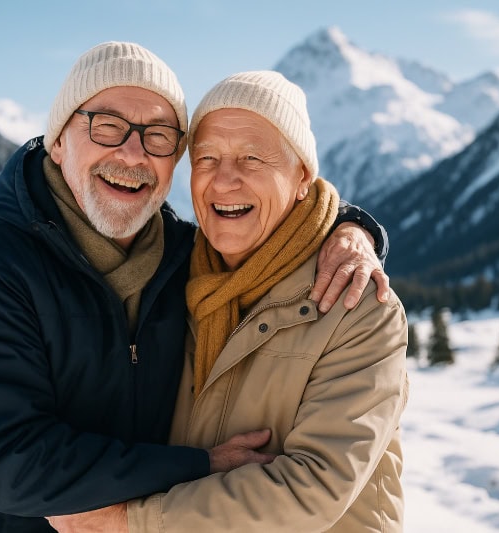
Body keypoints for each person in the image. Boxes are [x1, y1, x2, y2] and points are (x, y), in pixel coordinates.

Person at [0, 43, 391, 532]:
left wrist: (353, 230)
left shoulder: (185, 260)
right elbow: (10, 467)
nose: (132, 153)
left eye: (159, 136)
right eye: (107, 126)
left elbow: (280, 222)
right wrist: (202, 465)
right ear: (58, 141)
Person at [45, 71, 409, 533]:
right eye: (207, 158)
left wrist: (130, 522)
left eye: (252, 158)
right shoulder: (170, 279)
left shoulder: (357, 303)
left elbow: (314, 486)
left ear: (302, 176)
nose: (224, 180)